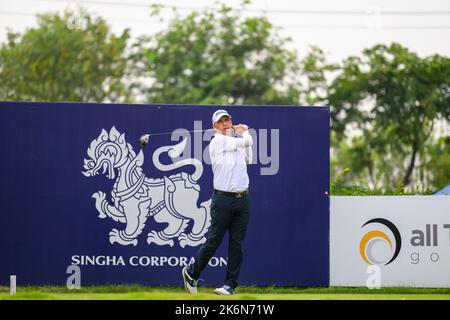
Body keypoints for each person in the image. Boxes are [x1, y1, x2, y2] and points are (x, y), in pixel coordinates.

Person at [182, 109, 253, 295]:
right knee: (214, 240)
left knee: (236, 243)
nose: (225, 124)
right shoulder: (218, 142)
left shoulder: (235, 144)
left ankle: (230, 285)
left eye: (227, 120)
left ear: (231, 121)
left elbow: (250, 157)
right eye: (220, 122)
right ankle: (191, 272)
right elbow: (249, 140)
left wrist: (242, 139)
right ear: (214, 126)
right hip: (222, 199)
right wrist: (244, 131)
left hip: (242, 199)